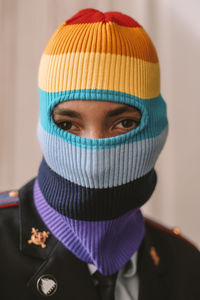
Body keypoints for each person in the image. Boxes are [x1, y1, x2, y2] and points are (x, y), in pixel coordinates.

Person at [0, 8, 199, 300]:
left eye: (123, 123)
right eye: (68, 124)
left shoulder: (186, 267)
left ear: (157, 127)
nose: (93, 154)